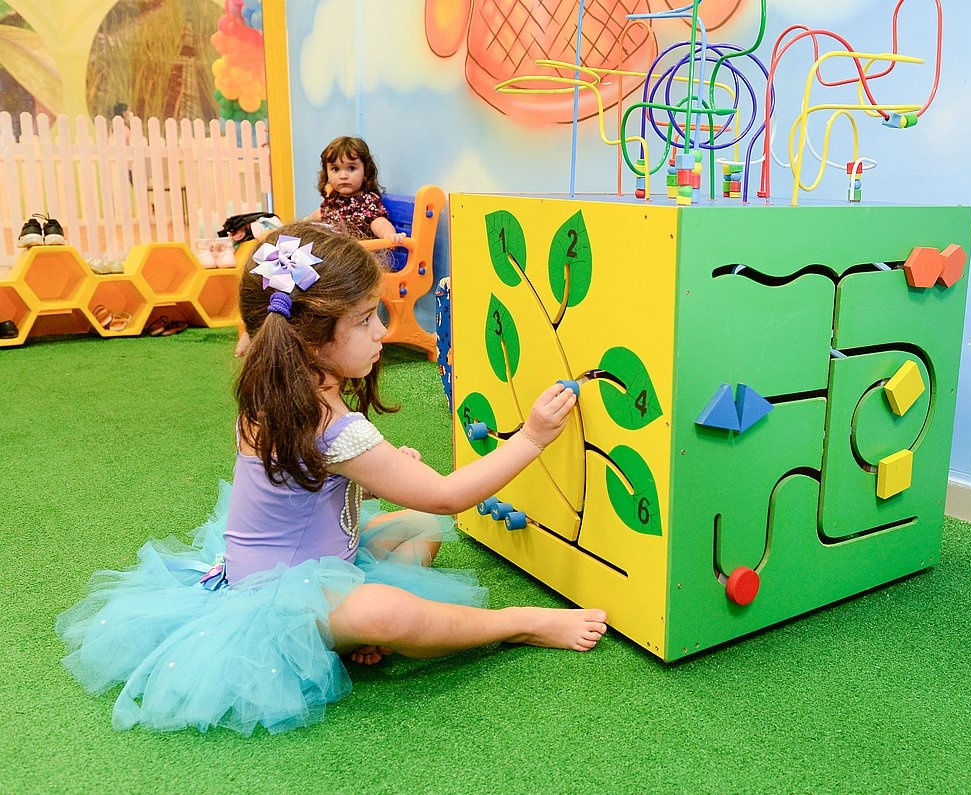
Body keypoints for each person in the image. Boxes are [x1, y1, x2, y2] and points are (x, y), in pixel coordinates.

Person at [56, 222, 607, 736]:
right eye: (366, 320)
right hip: (276, 606)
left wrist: (376, 475)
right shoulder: (328, 424)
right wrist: (531, 437)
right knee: (386, 608)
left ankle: (345, 632)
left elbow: (314, 485)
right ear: (310, 339)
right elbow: (447, 496)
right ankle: (515, 624)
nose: (382, 331)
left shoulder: (271, 389)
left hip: (312, 563)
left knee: (417, 526)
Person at [306, 136, 405, 244]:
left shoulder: (366, 202)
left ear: (366, 171)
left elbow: (380, 223)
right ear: (327, 173)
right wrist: (301, 225)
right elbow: (316, 216)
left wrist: (389, 235)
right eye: (335, 169)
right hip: (335, 251)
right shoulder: (332, 201)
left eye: (351, 168)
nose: (343, 176)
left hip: (360, 252)